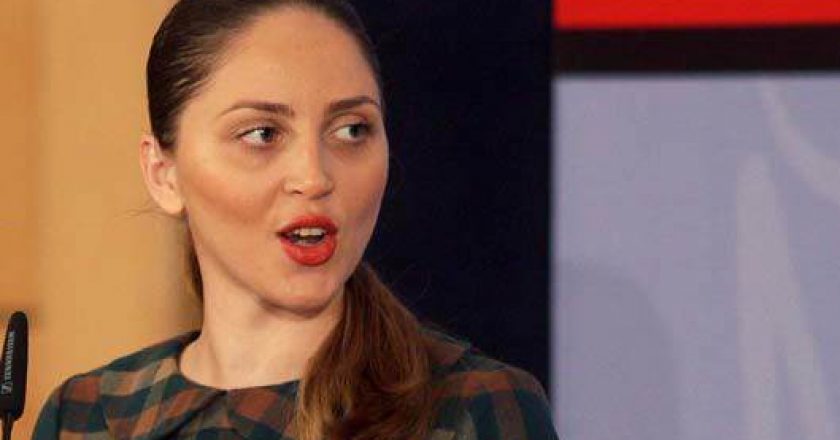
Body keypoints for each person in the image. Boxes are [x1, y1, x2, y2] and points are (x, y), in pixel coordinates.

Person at [32, 0, 559, 438]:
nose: (314, 176)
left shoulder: (474, 409)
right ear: (164, 174)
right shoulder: (87, 416)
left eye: (351, 130)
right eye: (262, 134)